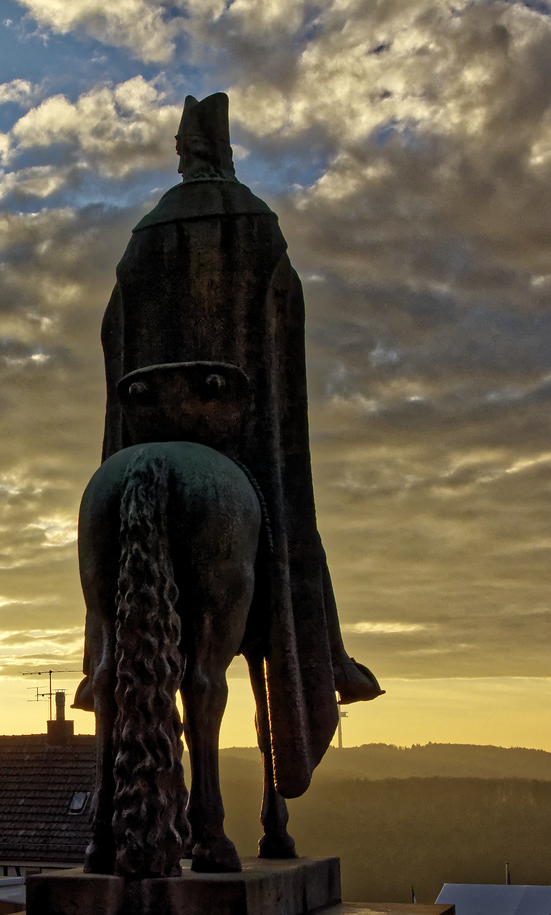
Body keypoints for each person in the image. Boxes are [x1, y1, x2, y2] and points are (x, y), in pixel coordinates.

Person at [82, 91, 382, 809]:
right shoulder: (256, 226)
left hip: (145, 425)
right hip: (237, 427)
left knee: (113, 591)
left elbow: (113, 331)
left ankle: (102, 671)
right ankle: (328, 659)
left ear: (185, 155)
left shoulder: (144, 236)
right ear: (224, 152)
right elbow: (283, 328)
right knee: (290, 543)